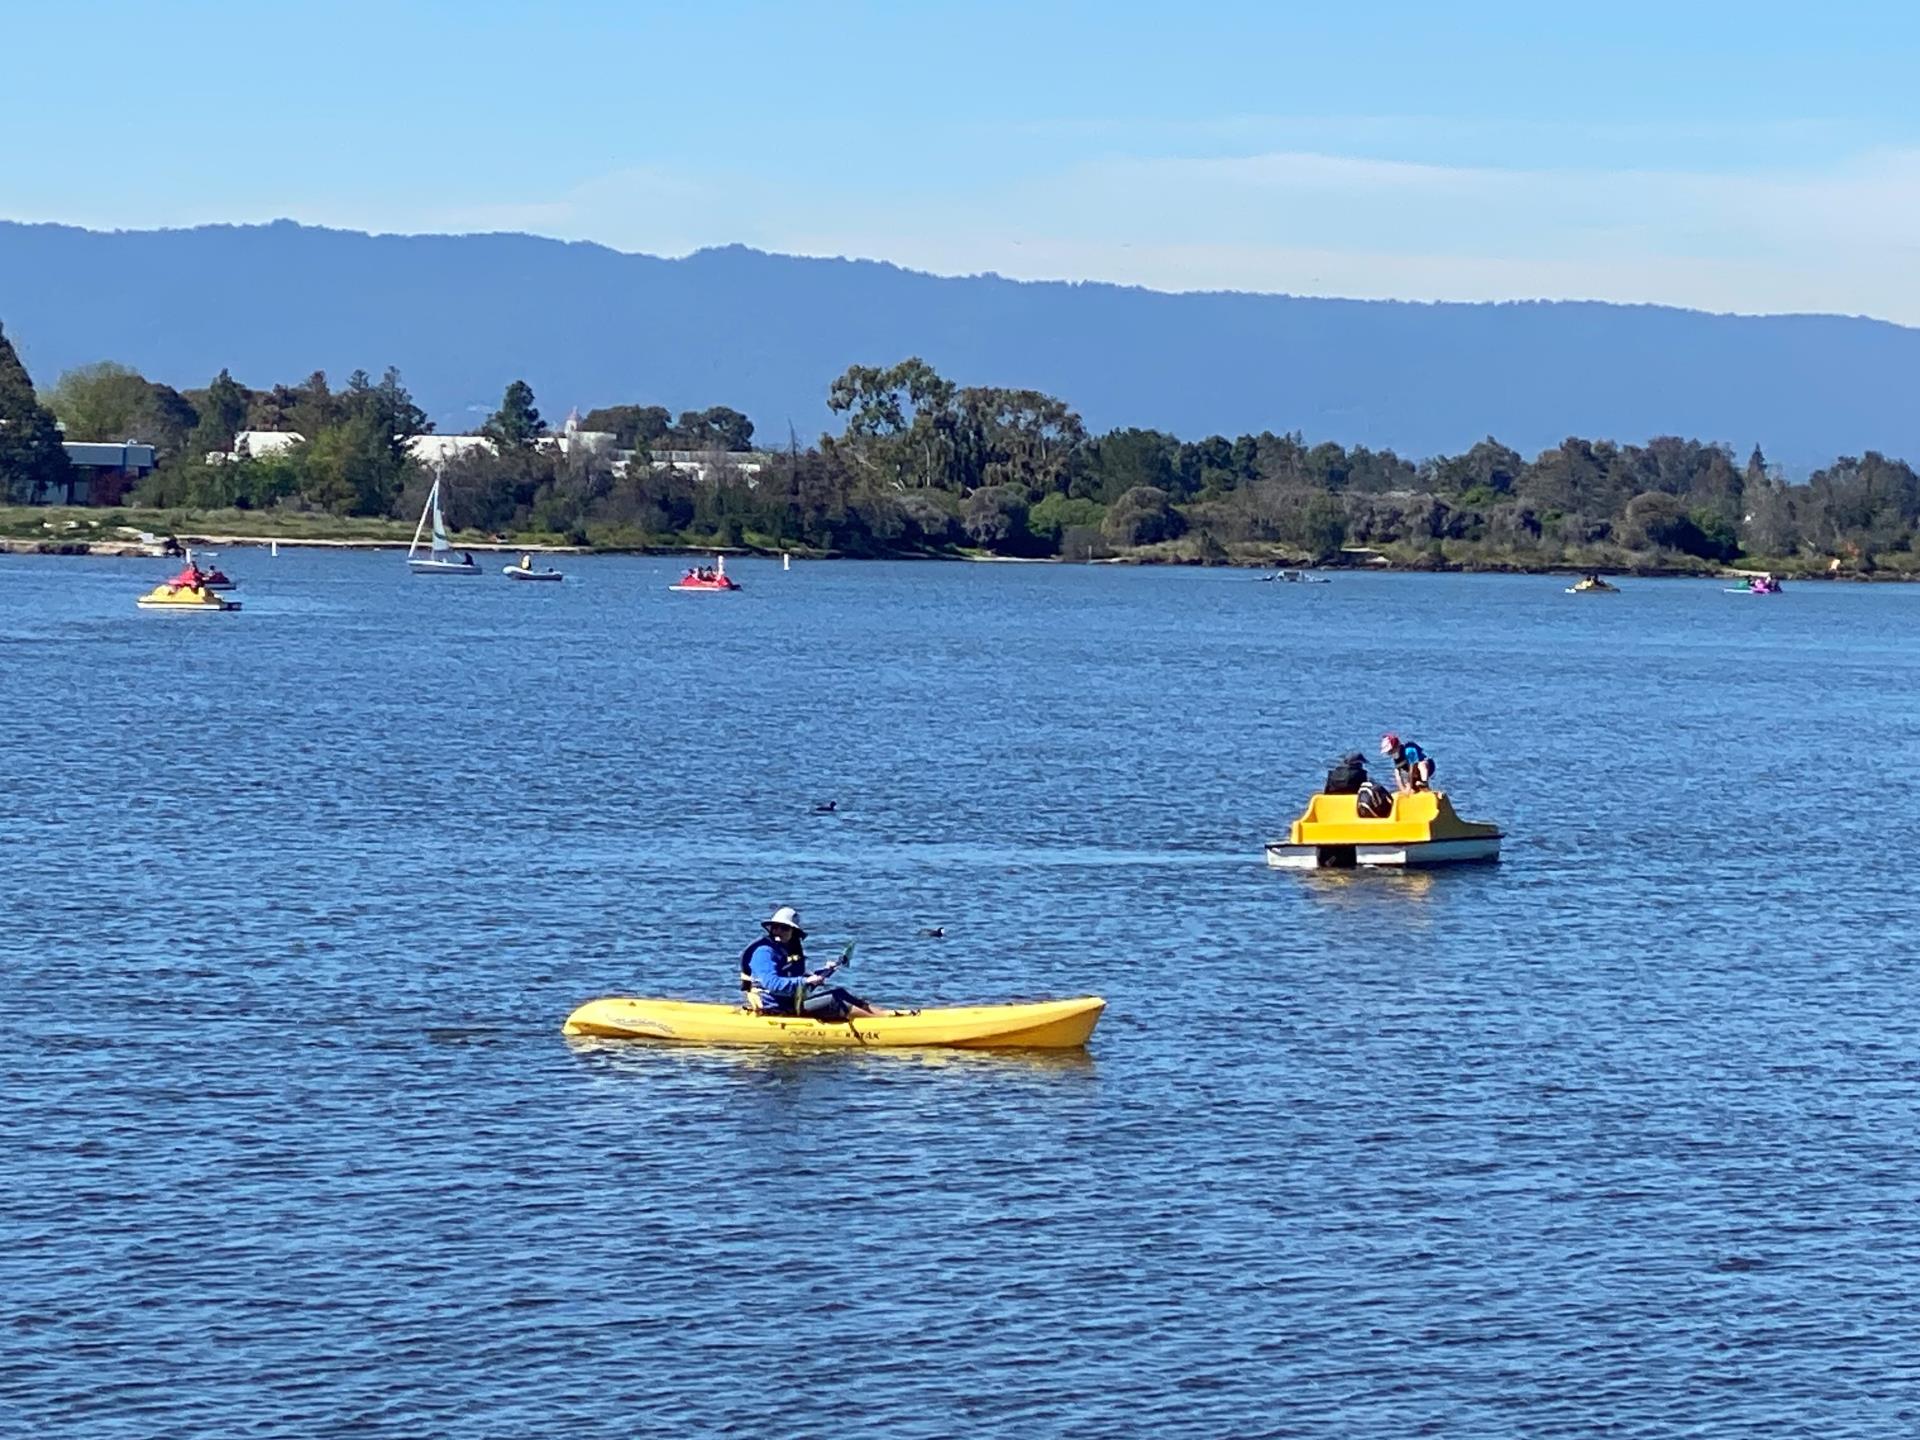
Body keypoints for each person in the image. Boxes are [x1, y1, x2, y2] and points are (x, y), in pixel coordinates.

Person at [739, 906, 888, 1021]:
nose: (778, 931)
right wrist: (806, 980)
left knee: (839, 992)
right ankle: (880, 1025)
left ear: (793, 932)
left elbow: (801, 985)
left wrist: (825, 972)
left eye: (784, 928)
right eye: (775, 927)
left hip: (790, 1003)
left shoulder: (788, 950)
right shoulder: (764, 952)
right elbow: (772, 983)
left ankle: (884, 1016)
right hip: (774, 1007)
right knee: (833, 1001)